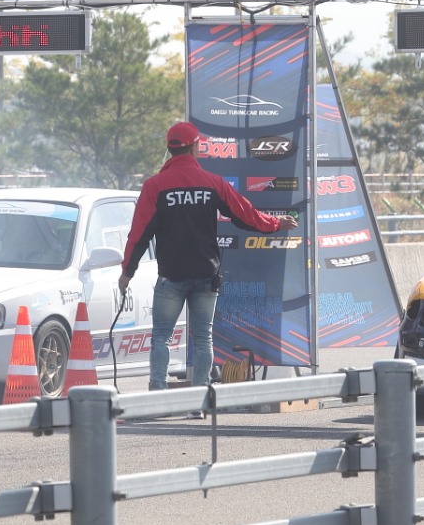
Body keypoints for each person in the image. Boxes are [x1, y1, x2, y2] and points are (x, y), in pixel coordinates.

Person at [119, 121, 299, 416]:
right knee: (203, 337)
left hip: (171, 276)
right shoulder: (212, 182)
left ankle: (156, 400)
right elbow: (246, 215)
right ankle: (200, 403)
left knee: (162, 336)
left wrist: (128, 271)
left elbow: (139, 234)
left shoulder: (154, 186)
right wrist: (276, 223)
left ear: (169, 148)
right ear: (194, 147)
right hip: (206, 274)